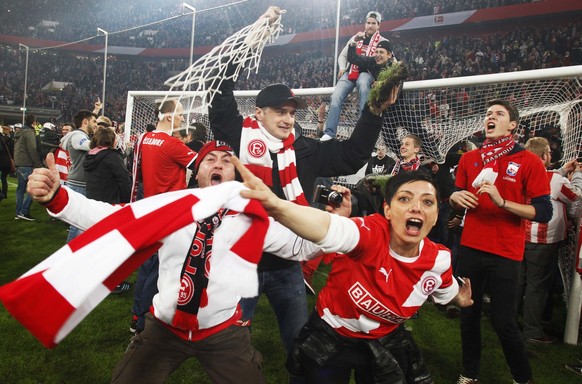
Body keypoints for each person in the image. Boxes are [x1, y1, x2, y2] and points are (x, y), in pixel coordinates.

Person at [208, 8, 402, 381]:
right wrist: (250, 38)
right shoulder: (239, 136)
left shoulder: (306, 150)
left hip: (287, 270)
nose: (287, 119)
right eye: (279, 112)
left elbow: (352, 154)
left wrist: (374, 112)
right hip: (239, 263)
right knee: (228, 346)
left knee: (302, 351)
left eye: (291, 113)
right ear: (259, 113)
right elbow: (220, 98)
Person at [26, 142, 323, 383]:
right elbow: (111, 218)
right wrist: (57, 197)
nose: (218, 164)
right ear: (197, 173)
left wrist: (333, 223)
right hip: (164, 329)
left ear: (235, 176)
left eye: (226, 160)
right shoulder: (170, 208)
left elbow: (300, 245)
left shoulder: (252, 219)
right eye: (210, 160)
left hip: (224, 333)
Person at [235, 158, 473, 383]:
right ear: (387, 211)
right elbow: (328, 228)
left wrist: (460, 298)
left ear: (435, 216)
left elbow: (447, 291)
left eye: (427, 202)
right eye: (405, 199)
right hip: (331, 335)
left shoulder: (439, 260)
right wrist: (277, 206)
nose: (416, 208)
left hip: (386, 340)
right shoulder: (369, 233)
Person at [449, 99, 552, 384]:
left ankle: (523, 378)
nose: (490, 118)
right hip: (470, 247)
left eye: (499, 114)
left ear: (513, 125)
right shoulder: (469, 159)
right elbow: (457, 199)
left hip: (506, 252)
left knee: (503, 321)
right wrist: (455, 199)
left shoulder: (528, 161)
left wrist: (502, 201)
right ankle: (469, 373)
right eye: (488, 114)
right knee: (468, 312)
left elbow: (544, 212)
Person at [130, 98, 198, 334]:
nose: (182, 120)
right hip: (170, 215)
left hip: (149, 208)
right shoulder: (172, 144)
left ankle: (137, 316)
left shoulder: (144, 139)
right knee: (165, 268)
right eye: (180, 115)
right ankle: (150, 321)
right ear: (169, 117)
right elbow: (201, 163)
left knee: (148, 267)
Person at [517, 137, 582, 344]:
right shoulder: (553, 179)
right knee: (537, 286)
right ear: (545, 156)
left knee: (519, 282)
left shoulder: (520, 172)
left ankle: (507, 321)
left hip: (520, 234)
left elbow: (550, 179)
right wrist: (578, 174)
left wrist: (563, 170)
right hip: (542, 241)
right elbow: (576, 195)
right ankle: (533, 331)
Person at [322, 11, 388, 141]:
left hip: (368, 73)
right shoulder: (356, 38)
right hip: (350, 72)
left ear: (378, 25)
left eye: (373, 23)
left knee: (364, 87)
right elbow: (343, 55)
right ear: (365, 24)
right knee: (335, 96)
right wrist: (342, 67)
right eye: (368, 23)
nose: (370, 26)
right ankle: (329, 133)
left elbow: (390, 59)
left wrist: (383, 78)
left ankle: (362, 132)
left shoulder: (383, 42)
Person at [60, 109, 98, 240]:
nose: (96, 125)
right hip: (79, 184)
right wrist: (105, 137)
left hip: (77, 182)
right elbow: (87, 145)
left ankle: (73, 252)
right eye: (94, 122)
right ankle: (70, 254)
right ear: (85, 122)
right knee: (78, 224)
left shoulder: (79, 133)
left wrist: (96, 110)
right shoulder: (78, 136)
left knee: (78, 223)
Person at [14, 113, 43, 221]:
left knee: (20, 189)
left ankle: (18, 212)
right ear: (34, 122)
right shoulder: (29, 132)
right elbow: (32, 149)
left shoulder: (20, 132)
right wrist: (39, 164)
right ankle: (24, 211)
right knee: (33, 189)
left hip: (19, 163)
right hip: (26, 163)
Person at [0, 125, 15, 201]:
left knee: (2, 178)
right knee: (4, 178)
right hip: (8, 162)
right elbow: (12, 152)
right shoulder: (11, 140)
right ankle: (4, 193)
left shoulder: (1, 139)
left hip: (1, 161)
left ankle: (1, 194)